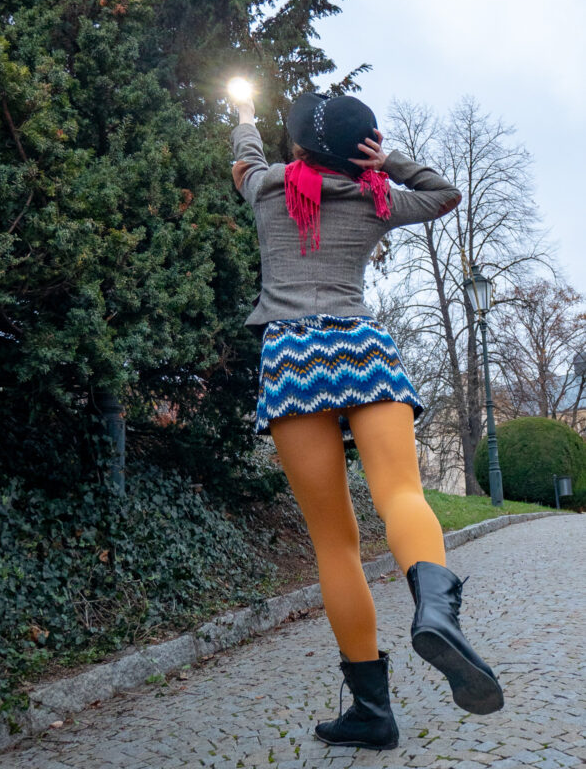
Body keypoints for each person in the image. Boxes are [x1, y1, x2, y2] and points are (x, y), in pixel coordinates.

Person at [230, 91, 504, 752]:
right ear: (361, 152)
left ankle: (372, 711)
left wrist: (243, 116)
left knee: (335, 542)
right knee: (402, 493)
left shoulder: (268, 189)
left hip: (292, 356)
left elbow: (244, 162)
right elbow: (443, 195)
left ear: (299, 146)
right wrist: (389, 161)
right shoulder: (374, 200)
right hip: (362, 347)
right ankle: (437, 612)